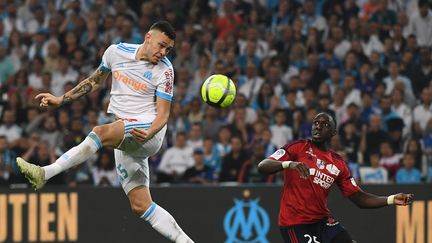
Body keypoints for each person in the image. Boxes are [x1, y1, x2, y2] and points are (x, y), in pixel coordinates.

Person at [16, 21, 194, 243]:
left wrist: (149, 132)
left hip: (149, 130)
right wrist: (61, 99)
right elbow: (93, 82)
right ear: (148, 37)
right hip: (127, 134)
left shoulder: (165, 70)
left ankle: (45, 173)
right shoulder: (116, 52)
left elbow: (163, 115)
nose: (163, 52)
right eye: (161, 45)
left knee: (100, 132)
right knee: (140, 205)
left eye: (168, 49)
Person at [258, 112, 413, 243]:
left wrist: (392, 199)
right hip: (295, 224)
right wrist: (288, 164)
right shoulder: (298, 147)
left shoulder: (338, 163)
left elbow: (360, 199)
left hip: (323, 222)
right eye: (315, 122)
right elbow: (263, 166)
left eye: (324, 124)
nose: (318, 126)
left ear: (333, 132)